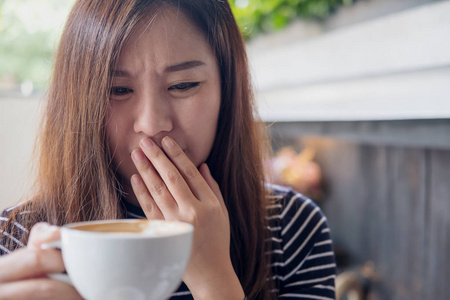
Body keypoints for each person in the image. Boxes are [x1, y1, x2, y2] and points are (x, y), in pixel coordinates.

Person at [0, 0, 336, 299]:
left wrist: (214, 279)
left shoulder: (292, 228)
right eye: (117, 89)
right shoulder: (13, 239)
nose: (151, 123)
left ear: (228, 89)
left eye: (183, 85)